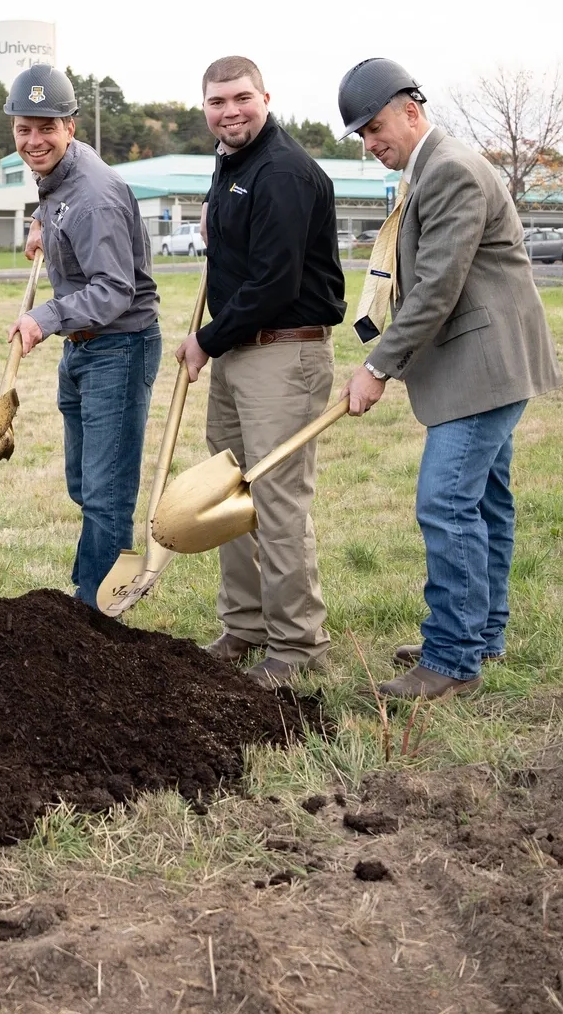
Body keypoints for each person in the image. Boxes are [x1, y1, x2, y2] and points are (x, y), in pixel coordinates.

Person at [335, 58, 563, 701]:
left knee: (447, 502)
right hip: (483, 366)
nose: (371, 142)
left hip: (482, 368)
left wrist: (379, 365)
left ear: (411, 109)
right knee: (485, 501)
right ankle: (480, 634)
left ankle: (452, 657)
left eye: (376, 126)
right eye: (361, 135)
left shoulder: (452, 171)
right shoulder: (430, 169)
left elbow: (437, 286)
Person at [176, 57, 348, 689]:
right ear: (205, 108)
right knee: (228, 491)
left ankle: (298, 645)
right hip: (240, 350)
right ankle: (246, 624)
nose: (231, 112)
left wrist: (204, 341)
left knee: (276, 499)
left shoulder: (282, 171)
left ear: (266, 98)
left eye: (242, 98)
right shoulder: (231, 165)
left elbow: (275, 283)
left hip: (283, 350)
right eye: (218, 102)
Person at [6, 64, 162, 605]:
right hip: (85, 348)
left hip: (118, 347)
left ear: (70, 126)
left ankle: (97, 606)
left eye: (46, 127)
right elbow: (63, 200)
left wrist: (43, 317)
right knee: (83, 481)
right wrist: (41, 222)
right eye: (24, 128)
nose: (34, 140)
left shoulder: (93, 194)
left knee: (105, 490)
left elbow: (115, 289)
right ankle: (93, 589)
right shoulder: (64, 177)